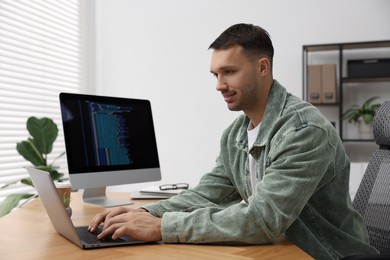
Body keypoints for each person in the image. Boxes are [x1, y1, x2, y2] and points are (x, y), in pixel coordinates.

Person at [88, 23, 379, 259]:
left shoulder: (304, 131)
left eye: (229, 72)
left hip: (330, 254)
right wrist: (145, 212)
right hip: (283, 249)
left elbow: (263, 219)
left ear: (262, 67)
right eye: (216, 74)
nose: (219, 85)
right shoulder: (235, 135)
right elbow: (207, 194)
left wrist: (162, 226)